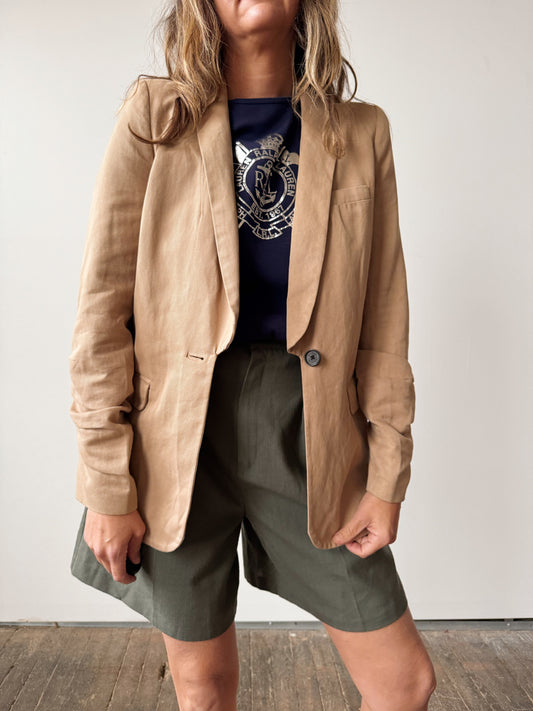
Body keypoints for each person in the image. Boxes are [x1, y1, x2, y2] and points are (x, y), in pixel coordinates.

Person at [68, 1, 437, 709]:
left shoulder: (361, 133)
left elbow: (384, 317)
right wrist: (107, 482)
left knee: (402, 682)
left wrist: (387, 473)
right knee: (202, 686)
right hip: (175, 436)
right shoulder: (155, 118)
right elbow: (101, 311)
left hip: (310, 428)